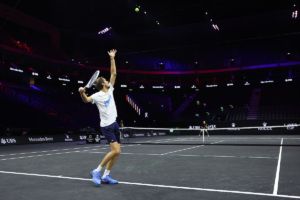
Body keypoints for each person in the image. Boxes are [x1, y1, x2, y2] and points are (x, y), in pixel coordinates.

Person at [78, 49, 120, 186]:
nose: (109, 81)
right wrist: (81, 93)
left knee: (116, 153)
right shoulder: (96, 96)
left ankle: (106, 176)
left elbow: (114, 73)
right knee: (116, 150)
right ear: (103, 84)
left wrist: (112, 58)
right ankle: (97, 171)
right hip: (106, 126)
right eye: (107, 80)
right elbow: (86, 100)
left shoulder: (110, 89)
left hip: (114, 123)